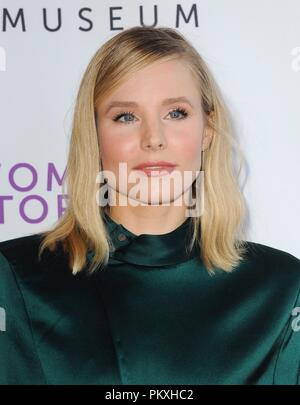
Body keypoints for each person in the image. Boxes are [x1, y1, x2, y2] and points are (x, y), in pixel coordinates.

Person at [0, 26, 299, 385]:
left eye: (176, 113)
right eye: (126, 116)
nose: (153, 139)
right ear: (93, 134)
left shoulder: (281, 289)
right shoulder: (15, 279)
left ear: (207, 129)